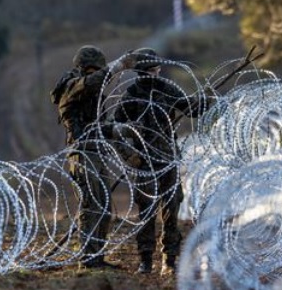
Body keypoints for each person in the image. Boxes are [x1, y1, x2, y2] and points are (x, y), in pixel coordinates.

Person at [114, 48, 203, 276]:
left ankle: (170, 260)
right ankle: (145, 260)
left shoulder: (167, 88)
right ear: (142, 71)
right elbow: (115, 128)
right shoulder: (132, 94)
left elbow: (190, 108)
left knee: (171, 209)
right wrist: (129, 154)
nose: (156, 72)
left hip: (168, 159)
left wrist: (206, 101)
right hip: (145, 161)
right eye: (152, 69)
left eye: (157, 68)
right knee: (146, 212)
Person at [50, 45, 136, 269]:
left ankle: (97, 257)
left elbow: (99, 127)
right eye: (93, 70)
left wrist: (121, 132)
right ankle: (88, 260)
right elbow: (90, 83)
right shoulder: (72, 86)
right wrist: (116, 66)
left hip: (96, 152)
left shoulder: (94, 95)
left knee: (105, 208)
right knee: (91, 205)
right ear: (85, 68)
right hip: (81, 152)